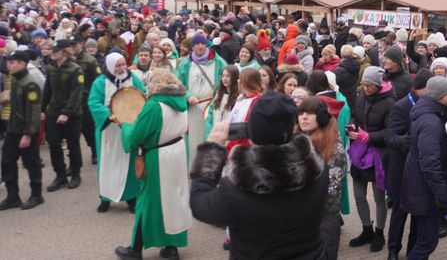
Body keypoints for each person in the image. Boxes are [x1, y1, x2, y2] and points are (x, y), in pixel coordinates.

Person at [190, 91, 328, 260]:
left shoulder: (234, 191)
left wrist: (211, 151)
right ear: (293, 127)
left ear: (252, 133)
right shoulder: (318, 170)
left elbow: (199, 203)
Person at [115, 70, 192, 260]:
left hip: (159, 156)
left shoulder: (154, 105)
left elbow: (135, 136)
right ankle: (171, 247)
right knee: (174, 200)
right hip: (178, 153)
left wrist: (124, 125)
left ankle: (135, 248)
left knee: (147, 201)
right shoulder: (181, 102)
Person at [400, 76, 447, 259]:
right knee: (427, 242)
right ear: (440, 96)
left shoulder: (426, 114)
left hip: (418, 187)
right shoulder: (431, 123)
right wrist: (443, 198)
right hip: (425, 191)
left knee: (421, 239)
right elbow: (430, 165)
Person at [88, 52, 146, 213]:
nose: (121, 68)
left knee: (129, 163)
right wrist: (112, 116)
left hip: (128, 128)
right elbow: (94, 103)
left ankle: (131, 197)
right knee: (108, 164)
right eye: (117, 65)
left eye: (123, 64)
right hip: (109, 130)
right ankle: (105, 198)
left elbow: (143, 96)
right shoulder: (100, 83)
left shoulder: (133, 79)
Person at [385, 69, 433, 260]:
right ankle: (393, 250)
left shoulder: (430, 105)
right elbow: (390, 137)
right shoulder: (401, 106)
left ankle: (414, 248)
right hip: (401, 169)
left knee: (417, 213)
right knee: (399, 214)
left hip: (419, 170)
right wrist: (407, 141)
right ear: (419, 89)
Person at [348, 66, 395, 253]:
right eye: (364, 85)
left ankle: (380, 232)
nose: (365, 89)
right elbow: (354, 115)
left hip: (379, 156)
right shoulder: (361, 97)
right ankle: (366, 228)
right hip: (360, 152)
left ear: (378, 85)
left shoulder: (390, 102)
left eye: (369, 86)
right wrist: (352, 125)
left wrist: (368, 136)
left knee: (378, 198)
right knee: (359, 196)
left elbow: (390, 131)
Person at [295, 96, 347, 260]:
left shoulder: (333, 147)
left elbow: (331, 191)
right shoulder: (297, 141)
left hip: (322, 220)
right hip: (299, 220)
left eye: (309, 113)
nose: (304, 117)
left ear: (322, 117)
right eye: (301, 112)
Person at [0, 51, 43, 210]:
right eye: (8, 62)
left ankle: (37, 195)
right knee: (7, 161)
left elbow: (33, 112)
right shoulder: (16, 80)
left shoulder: (29, 83)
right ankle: (13, 197)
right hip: (13, 129)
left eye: (12, 62)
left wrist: (28, 135)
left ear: (23, 64)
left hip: (25, 131)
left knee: (31, 163)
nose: (8, 65)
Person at [176, 33, 227, 168]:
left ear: (206, 44)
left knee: (210, 139)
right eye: (196, 44)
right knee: (194, 142)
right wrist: (188, 96)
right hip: (193, 108)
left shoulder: (218, 61)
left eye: (202, 43)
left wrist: (217, 98)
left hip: (212, 106)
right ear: (192, 47)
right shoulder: (185, 63)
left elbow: (227, 81)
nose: (200, 46)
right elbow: (178, 83)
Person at [41, 39, 85, 192]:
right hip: (53, 112)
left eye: (55, 51)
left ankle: (75, 174)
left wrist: (66, 113)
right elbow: (47, 90)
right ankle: (60, 175)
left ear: (64, 52)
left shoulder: (75, 70)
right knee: (53, 144)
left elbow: (76, 94)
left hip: (72, 114)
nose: (52, 53)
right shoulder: (51, 68)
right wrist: (41, 109)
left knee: (73, 144)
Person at [71, 33, 102, 165]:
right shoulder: (67, 60)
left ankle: (95, 150)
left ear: (80, 45)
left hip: (85, 99)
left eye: (74, 45)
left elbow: (98, 81)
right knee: (72, 134)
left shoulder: (90, 61)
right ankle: (74, 162)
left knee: (88, 129)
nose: (72, 48)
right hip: (71, 101)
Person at [334, 44, 360, 110]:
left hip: (343, 98)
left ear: (341, 55)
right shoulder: (356, 65)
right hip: (352, 95)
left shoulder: (339, 71)